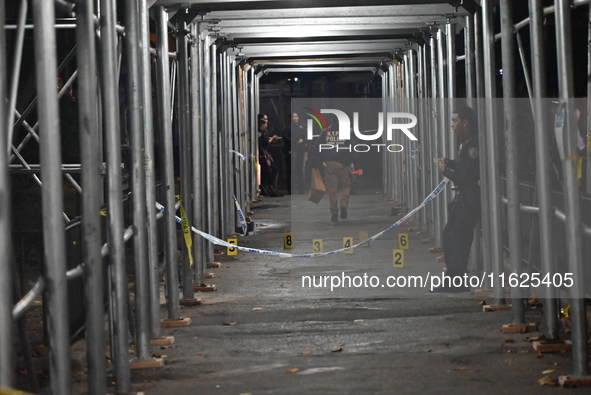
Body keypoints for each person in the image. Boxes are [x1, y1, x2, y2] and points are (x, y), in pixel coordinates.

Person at [435, 106, 480, 293]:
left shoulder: (472, 145)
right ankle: (453, 279)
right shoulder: (466, 142)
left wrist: (446, 170)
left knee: (458, 239)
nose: (452, 125)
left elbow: (466, 176)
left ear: (465, 122)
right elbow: (463, 168)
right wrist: (451, 164)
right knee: (449, 236)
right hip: (463, 199)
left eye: (455, 120)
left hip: (469, 199)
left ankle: (457, 282)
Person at [309, 120, 355, 222]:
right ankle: (344, 204)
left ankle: (334, 212)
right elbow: (352, 147)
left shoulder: (325, 132)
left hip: (328, 163)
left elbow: (316, 147)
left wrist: (317, 162)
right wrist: (353, 161)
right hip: (343, 163)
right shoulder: (346, 132)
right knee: (346, 184)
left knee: (332, 188)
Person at [258, 114, 282, 197]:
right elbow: (264, 144)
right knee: (271, 171)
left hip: (265, 155)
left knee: (270, 172)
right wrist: (271, 140)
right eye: (265, 124)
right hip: (263, 156)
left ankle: (270, 189)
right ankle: (270, 189)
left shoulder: (264, 133)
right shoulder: (260, 134)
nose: (266, 125)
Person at [283, 112, 307, 194]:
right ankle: (290, 189)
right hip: (291, 150)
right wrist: (296, 140)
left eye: (297, 116)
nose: (295, 118)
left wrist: (303, 140)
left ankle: (301, 189)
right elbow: (286, 138)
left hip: (301, 150)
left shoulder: (302, 126)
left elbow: (306, 136)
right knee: (290, 170)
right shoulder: (287, 128)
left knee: (300, 169)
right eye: (293, 116)